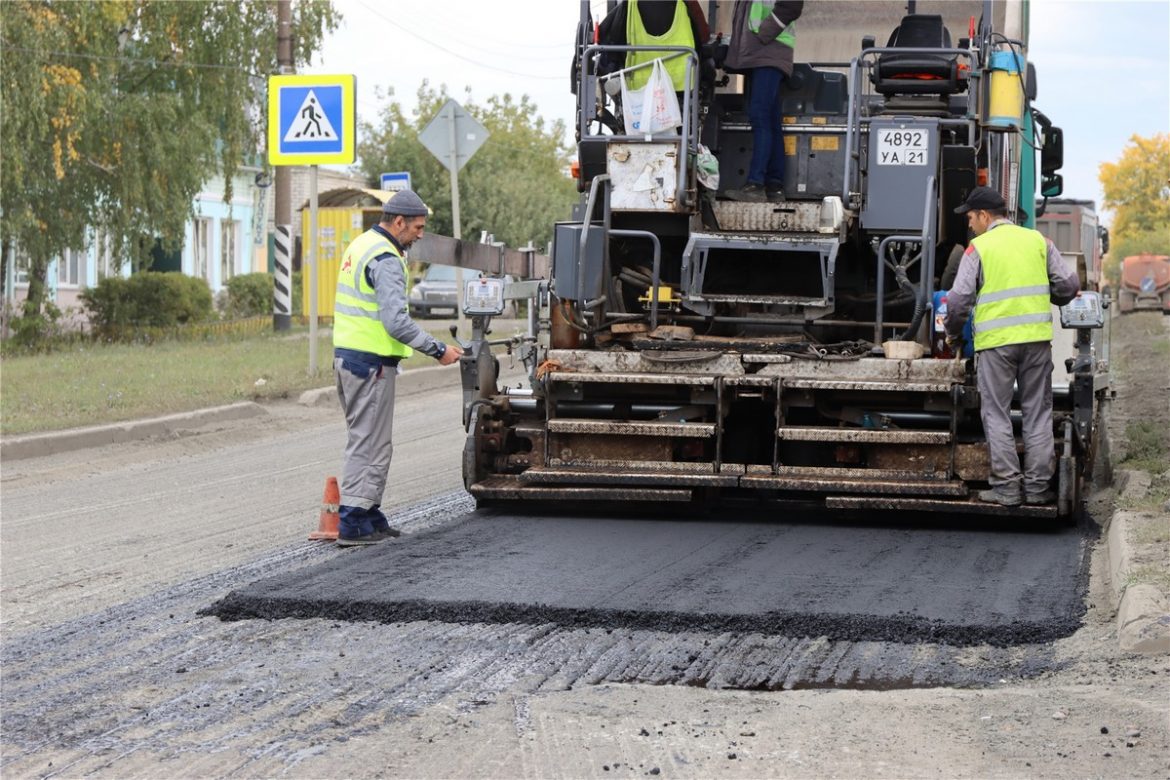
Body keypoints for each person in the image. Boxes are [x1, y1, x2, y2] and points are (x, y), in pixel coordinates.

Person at [332, 190, 463, 546]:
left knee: (371, 439)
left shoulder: (362, 244)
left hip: (350, 358)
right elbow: (396, 322)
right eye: (417, 227)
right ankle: (353, 521)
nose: (420, 234)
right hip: (369, 362)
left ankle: (369, 511)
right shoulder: (387, 257)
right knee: (369, 442)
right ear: (399, 222)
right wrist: (437, 349)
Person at [944, 186, 1079, 507]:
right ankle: (1036, 489)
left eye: (971, 217)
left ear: (985, 215)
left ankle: (1006, 488)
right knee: (1038, 413)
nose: (969, 224)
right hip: (1036, 342)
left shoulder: (978, 249)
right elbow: (1069, 285)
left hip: (996, 347)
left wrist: (953, 333)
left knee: (996, 414)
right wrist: (1055, 297)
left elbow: (959, 300)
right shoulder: (1039, 241)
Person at [723, 0, 804, 203]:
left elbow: (792, 6)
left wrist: (764, 34)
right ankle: (774, 185)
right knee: (770, 120)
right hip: (763, 54)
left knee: (760, 116)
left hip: (768, 52)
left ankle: (756, 184)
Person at [597, 0, 710, 93]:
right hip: (682, 81)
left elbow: (611, 39)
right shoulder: (688, 2)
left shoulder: (629, 4)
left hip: (639, 83)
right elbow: (704, 37)